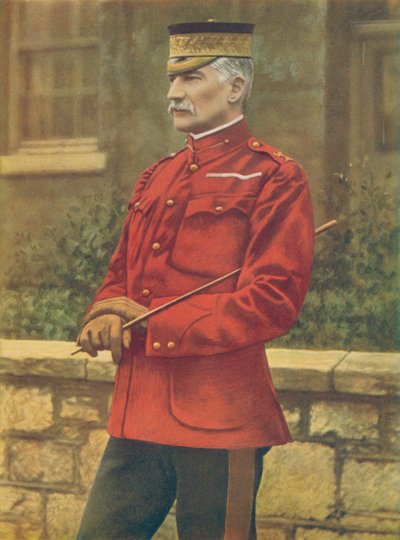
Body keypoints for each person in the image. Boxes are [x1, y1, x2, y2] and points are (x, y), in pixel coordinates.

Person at [76, 21, 314, 540]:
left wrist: (156, 325)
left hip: (219, 417)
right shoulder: (156, 176)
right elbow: (120, 275)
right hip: (137, 415)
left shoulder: (273, 177)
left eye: (191, 79)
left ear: (235, 87)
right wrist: (104, 313)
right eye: (171, 80)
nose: (173, 94)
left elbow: (273, 299)